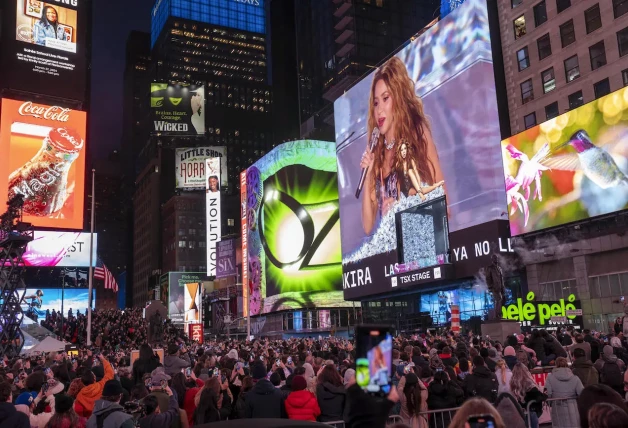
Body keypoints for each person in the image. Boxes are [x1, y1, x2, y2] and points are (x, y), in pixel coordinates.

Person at [360, 56, 444, 234]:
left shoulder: (417, 134)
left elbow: (441, 195)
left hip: (419, 241)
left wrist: (402, 207)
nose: (379, 109)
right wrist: (368, 174)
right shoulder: (378, 153)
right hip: (391, 250)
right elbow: (368, 226)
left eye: (385, 98)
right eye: (376, 103)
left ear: (398, 99)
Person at [545, 357, 583, 428]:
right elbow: (582, 393)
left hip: (557, 409)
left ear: (556, 365)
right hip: (573, 409)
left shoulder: (550, 377)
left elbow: (548, 393)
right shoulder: (575, 378)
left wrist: (550, 403)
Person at [510, 363, 545, 428]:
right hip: (531, 411)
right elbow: (537, 396)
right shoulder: (528, 383)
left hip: (520, 411)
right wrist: (544, 395)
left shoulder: (513, 383)